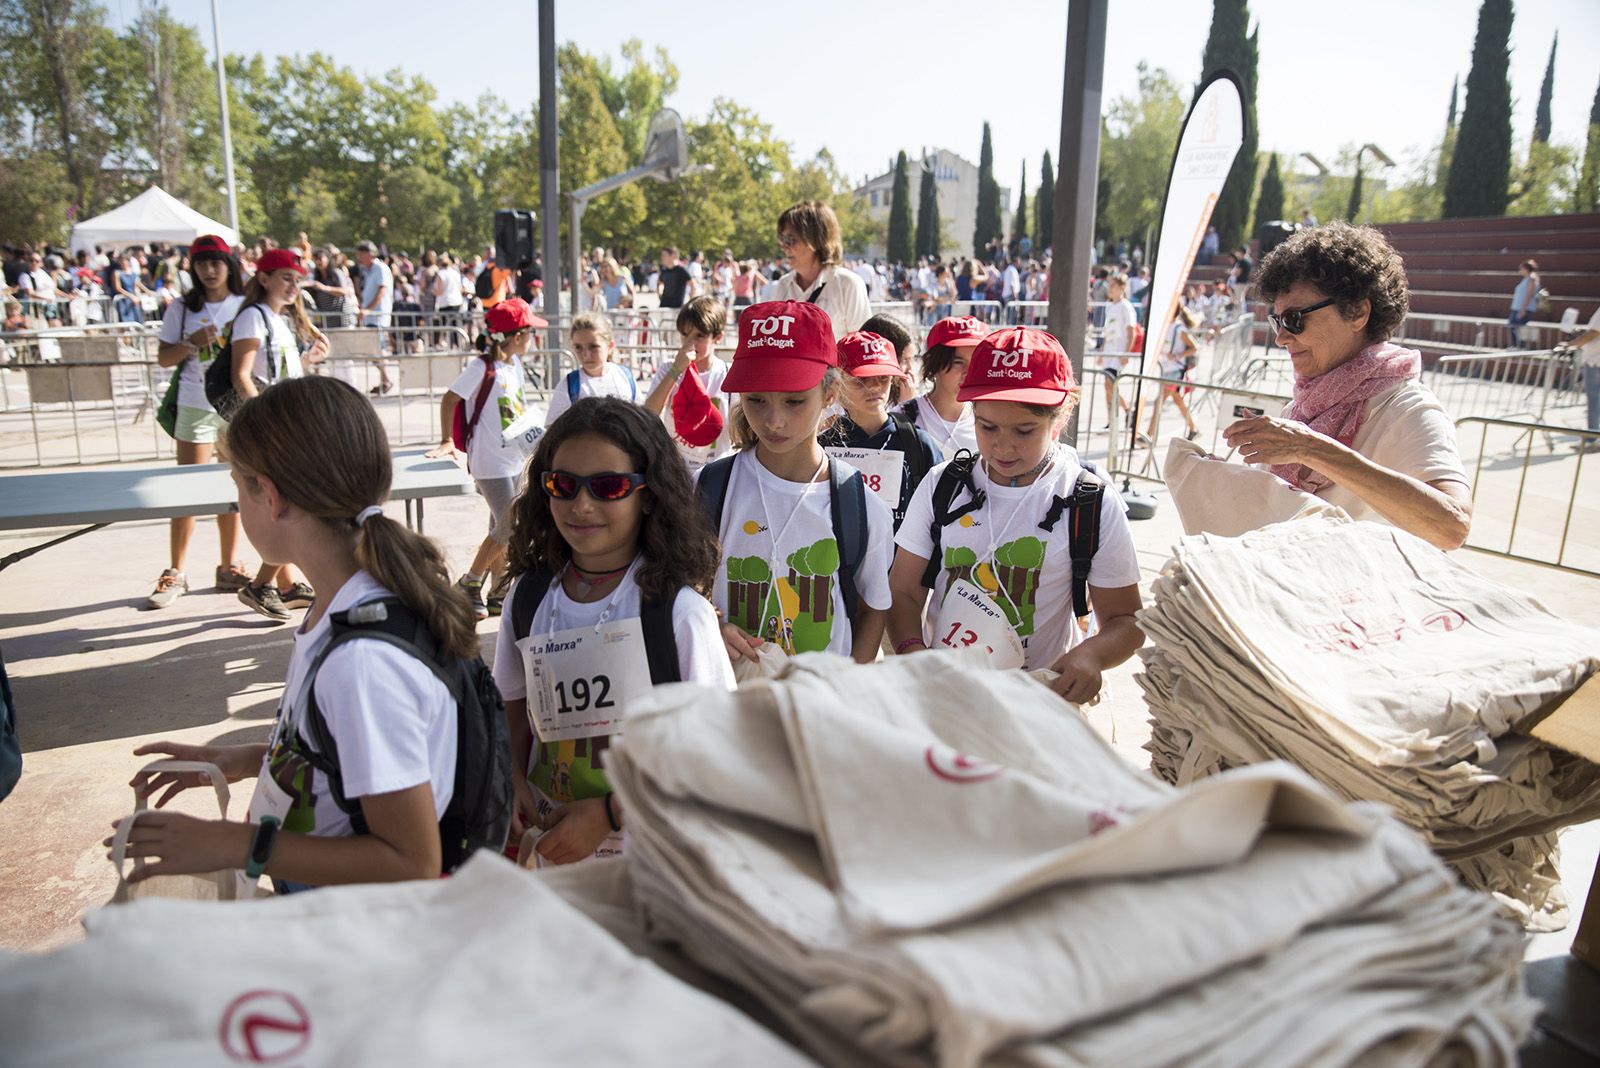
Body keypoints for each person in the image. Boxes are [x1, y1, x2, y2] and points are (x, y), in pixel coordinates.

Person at [107, 376, 475, 892]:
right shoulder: (338, 608)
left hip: (359, 934)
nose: (237, 505)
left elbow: (409, 860)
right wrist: (249, 759)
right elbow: (347, 763)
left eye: (238, 485)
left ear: (272, 498)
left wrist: (229, 844)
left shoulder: (363, 662)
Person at [491, 398, 732, 865]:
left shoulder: (680, 614)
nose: (582, 505)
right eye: (563, 485)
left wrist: (609, 812)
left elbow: (715, 745)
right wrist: (515, 780)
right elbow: (512, 705)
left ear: (649, 494)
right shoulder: (527, 600)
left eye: (609, 486)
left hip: (652, 865)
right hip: (552, 857)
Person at [887, 327, 1145, 704]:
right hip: (947, 698)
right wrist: (913, 653)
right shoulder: (942, 485)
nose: (1003, 445)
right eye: (986, 427)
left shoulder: (1089, 501)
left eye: (1025, 431)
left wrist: (1090, 656)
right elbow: (903, 590)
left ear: (1062, 415)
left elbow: (1126, 621)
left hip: (1041, 702)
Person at [1222, 223, 1472, 550]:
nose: (1281, 337)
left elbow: (1452, 526)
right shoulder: (1305, 407)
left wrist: (1312, 450)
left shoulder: (1407, 408)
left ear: (1357, 312)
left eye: (1295, 319)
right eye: (1277, 321)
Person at [702, 300, 896, 666]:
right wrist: (712, 623)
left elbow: (874, 608)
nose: (773, 420)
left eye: (794, 401)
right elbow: (679, 588)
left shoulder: (861, 506)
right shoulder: (708, 489)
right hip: (731, 707)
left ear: (830, 393)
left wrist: (848, 686)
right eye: (755, 399)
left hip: (822, 708)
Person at [226, 248, 331, 621]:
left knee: (291, 506)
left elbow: (281, 373)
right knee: (287, 506)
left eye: (296, 278)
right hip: (268, 428)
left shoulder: (278, 319)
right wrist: (263, 423)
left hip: (284, 423)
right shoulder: (253, 318)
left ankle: (270, 584)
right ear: (264, 278)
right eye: (285, 277)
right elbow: (242, 376)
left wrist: (307, 362)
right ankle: (263, 584)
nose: (292, 286)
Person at [147, 236, 252, 610]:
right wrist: (191, 342)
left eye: (216, 263)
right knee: (187, 490)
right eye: (202, 264)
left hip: (234, 408)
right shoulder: (182, 307)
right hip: (194, 405)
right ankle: (175, 570)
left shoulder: (244, 306)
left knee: (236, 487)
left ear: (229, 266)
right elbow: (163, 359)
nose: (209, 271)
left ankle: (230, 565)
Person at [427, 298, 546, 618]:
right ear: (516, 336)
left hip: (513, 457)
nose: (533, 338)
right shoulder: (481, 367)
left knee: (500, 524)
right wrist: (446, 439)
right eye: (529, 332)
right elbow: (451, 398)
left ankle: (498, 589)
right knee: (511, 525)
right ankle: (470, 582)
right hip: (489, 461)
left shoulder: (514, 365)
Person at [822, 331, 943, 532]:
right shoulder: (822, 445)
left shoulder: (918, 443)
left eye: (883, 377)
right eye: (860, 379)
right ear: (838, 382)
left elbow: (940, 509)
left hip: (903, 561)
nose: (875, 387)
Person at [643, 296, 734, 472]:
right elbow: (649, 412)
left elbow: (738, 429)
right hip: (677, 467)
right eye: (685, 334)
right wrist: (676, 369)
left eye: (700, 336)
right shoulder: (668, 368)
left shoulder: (727, 374)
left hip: (715, 469)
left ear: (718, 337)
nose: (690, 342)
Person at [768, 201, 869, 338]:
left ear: (816, 240)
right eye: (781, 239)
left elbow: (861, 347)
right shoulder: (782, 285)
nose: (784, 247)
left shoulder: (848, 284)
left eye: (790, 240)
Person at [898, 316, 987, 455]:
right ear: (934, 363)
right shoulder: (903, 417)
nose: (968, 372)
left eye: (977, 362)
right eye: (958, 362)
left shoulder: (990, 421)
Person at [544, 312, 637, 427]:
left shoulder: (624, 376)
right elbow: (552, 427)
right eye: (578, 347)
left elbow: (640, 416)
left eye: (593, 347)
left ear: (610, 346)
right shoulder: (569, 385)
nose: (586, 354)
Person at [1143, 304, 1201, 443]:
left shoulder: (1179, 329)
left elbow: (1194, 347)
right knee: (1178, 400)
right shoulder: (1165, 327)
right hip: (1166, 370)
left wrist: (1177, 356)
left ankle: (1148, 436)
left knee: (1159, 402)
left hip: (1175, 371)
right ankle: (1194, 428)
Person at [1099, 272, 1138, 428]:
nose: (1110, 289)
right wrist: (1102, 350)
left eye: (1113, 285)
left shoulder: (1126, 307)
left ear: (1122, 287)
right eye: (1109, 285)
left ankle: (1127, 410)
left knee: (1112, 384)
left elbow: (1131, 331)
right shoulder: (1109, 306)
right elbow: (1108, 331)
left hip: (1119, 352)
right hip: (1109, 350)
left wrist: (1126, 352)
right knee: (1107, 386)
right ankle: (1113, 418)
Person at [355, 241, 394, 394]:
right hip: (370, 315)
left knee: (377, 348)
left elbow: (381, 291)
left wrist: (369, 310)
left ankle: (386, 379)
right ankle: (384, 379)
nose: (358, 257)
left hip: (378, 315)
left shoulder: (380, 268)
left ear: (369, 254)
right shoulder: (367, 270)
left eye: (361, 254)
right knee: (373, 349)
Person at [307, 248, 356, 331]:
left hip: (343, 319)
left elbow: (344, 291)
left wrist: (325, 288)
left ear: (328, 259)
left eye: (320, 258)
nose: (318, 262)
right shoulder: (317, 277)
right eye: (315, 259)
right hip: (327, 320)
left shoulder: (336, 273)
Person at [1508, 259, 1540, 349]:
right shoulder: (1526, 279)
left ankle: (1521, 346)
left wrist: (1523, 309)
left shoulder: (1531, 279)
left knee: (1520, 327)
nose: (1520, 271)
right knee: (1513, 326)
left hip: (1523, 308)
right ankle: (1515, 345)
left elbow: (1529, 295)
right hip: (1517, 307)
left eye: (1522, 269)